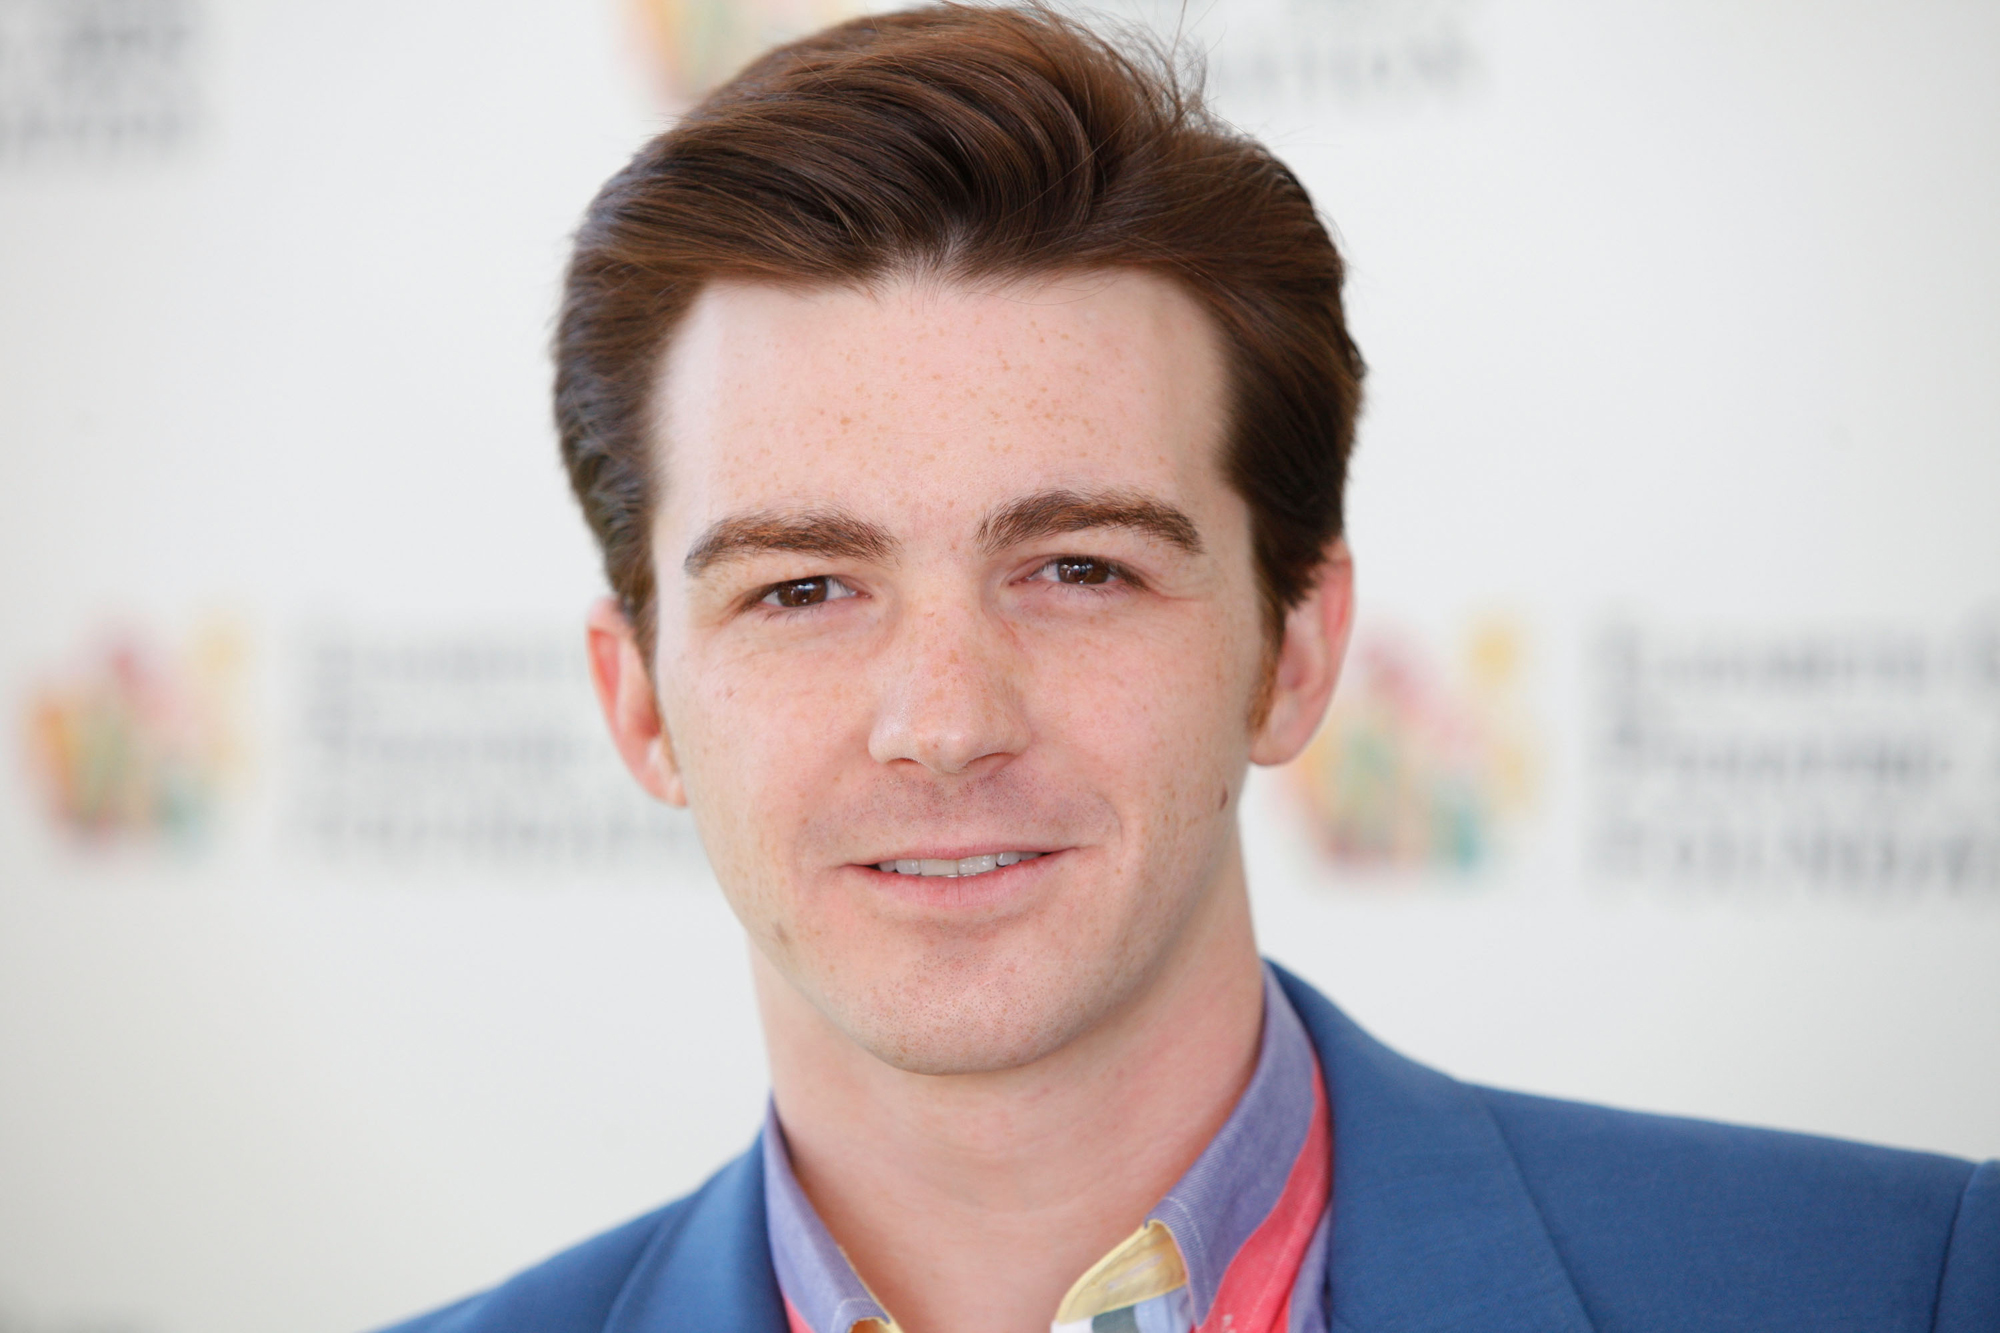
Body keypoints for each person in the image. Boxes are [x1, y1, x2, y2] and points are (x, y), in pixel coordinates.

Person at [379, 6, 1998, 1331]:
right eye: (805, 587)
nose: (944, 721)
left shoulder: (1906, 1287)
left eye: (1080, 568)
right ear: (641, 699)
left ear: (1294, 649)